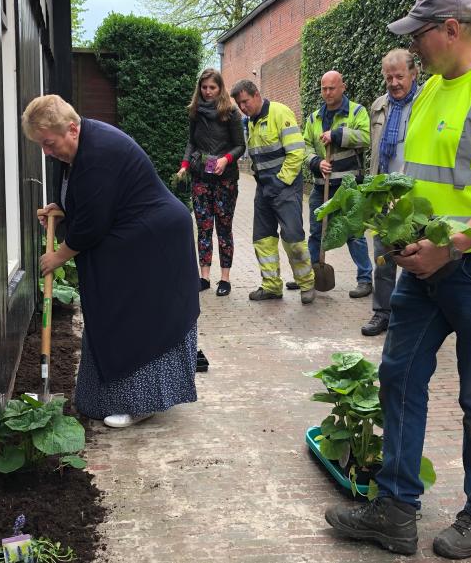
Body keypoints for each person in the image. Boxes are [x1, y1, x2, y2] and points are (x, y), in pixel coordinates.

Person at [324, 0, 471, 559]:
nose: (413, 49)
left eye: (418, 37)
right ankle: (396, 511)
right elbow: (416, 177)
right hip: (423, 266)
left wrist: (453, 247)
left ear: (450, 28)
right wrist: (395, 229)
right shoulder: (424, 94)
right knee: (398, 376)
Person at [22, 94, 200, 428]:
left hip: (154, 241)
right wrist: (60, 211)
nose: (46, 152)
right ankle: (113, 397)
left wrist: (57, 257)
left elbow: (92, 225)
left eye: (48, 143)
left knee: (136, 318)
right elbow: (89, 200)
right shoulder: (82, 147)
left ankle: (142, 402)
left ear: (72, 129)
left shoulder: (98, 152)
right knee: (119, 314)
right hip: (134, 237)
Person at [230, 80, 317, 304]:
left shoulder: (280, 113)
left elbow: (297, 153)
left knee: (293, 238)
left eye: (245, 101)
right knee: (263, 238)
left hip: (284, 188)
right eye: (239, 104)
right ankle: (271, 286)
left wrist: (280, 182)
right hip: (263, 188)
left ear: (257, 94)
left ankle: (307, 284)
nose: (243, 107)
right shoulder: (251, 121)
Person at [361, 49, 421, 337]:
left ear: (414, 74)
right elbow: (375, 151)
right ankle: (381, 312)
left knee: (417, 257)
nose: (394, 83)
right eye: (389, 77)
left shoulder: (426, 104)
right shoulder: (379, 106)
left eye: (400, 76)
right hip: (384, 194)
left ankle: (414, 315)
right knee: (383, 258)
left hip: (414, 194)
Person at [299, 70, 373, 298]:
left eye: (332, 88)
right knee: (315, 232)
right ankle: (311, 276)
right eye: (324, 88)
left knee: (354, 233)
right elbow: (305, 146)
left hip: (349, 188)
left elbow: (366, 137)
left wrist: (338, 134)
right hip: (322, 186)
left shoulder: (357, 111)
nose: (327, 92)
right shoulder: (314, 118)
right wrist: (316, 162)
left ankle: (364, 279)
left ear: (343, 87)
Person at [177, 68, 246, 297]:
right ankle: (204, 276)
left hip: (225, 181)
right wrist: (185, 166)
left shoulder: (231, 113)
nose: (208, 92)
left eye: (212, 88)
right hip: (201, 179)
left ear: (220, 88)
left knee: (223, 229)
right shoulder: (195, 112)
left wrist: (226, 160)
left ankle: (224, 279)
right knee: (203, 228)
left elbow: (240, 146)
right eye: (204, 87)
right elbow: (190, 143)